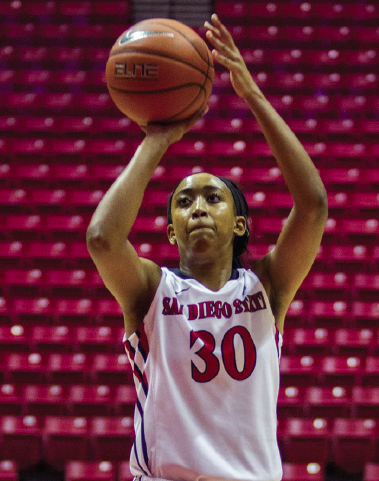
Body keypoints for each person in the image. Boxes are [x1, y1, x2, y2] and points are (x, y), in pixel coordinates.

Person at [86, 14, 328, 481]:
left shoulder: (268, 287)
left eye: (212, 198)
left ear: (239, 224)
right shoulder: (151, 290)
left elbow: (313, 204)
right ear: (172, 230)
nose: (197, 207)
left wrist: (253, 96)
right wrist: (157, 140)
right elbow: (101, 238)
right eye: (184, 201)